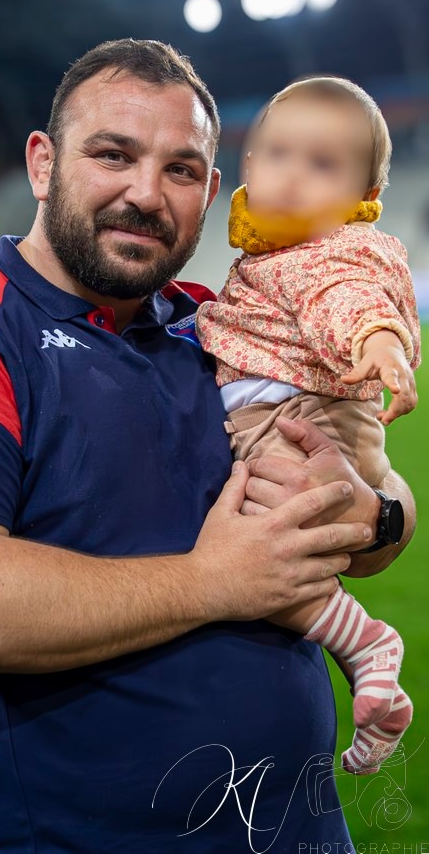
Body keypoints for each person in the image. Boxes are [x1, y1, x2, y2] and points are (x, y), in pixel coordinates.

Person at [0, 40, 415, 853]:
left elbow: (381, 510)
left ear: (214, 191)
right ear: (42, 164)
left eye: (181, 170)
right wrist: (210, 582)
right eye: (112, 154)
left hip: (301, 829)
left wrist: (375, 513)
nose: (145, 193)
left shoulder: (224, 328)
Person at [196, 75, 421, 776]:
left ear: (362, 198)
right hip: (287, 410)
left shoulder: (333, 252)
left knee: (261, 555)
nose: (292, 176)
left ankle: (367, 646)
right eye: (275, 154)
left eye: (321, 165)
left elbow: (346, 301)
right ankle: (367, 664)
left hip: (299, 419)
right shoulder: (272, 256)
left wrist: (376, 342)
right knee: (267, 555)